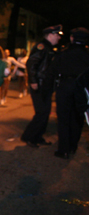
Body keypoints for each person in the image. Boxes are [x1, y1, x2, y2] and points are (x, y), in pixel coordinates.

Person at [45, 27, 89, 159]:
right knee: (78, 118)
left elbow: (51, 72)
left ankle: (63, 149)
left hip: (64, 87)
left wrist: (47, 91)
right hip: (82, 88)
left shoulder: (63, 53)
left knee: (63, 118)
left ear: (72, 38)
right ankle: (73, 146)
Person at [21, 25, 63, 148]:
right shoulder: (42, 47)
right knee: (41, 112)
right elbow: (32, 63)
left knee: (45, 113)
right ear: (50, 35)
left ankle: (37, 136)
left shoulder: (49, 48)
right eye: (57, 35)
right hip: (39, 84)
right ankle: (29, 136)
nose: (59, 38)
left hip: (46, 85)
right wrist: (33, 81)